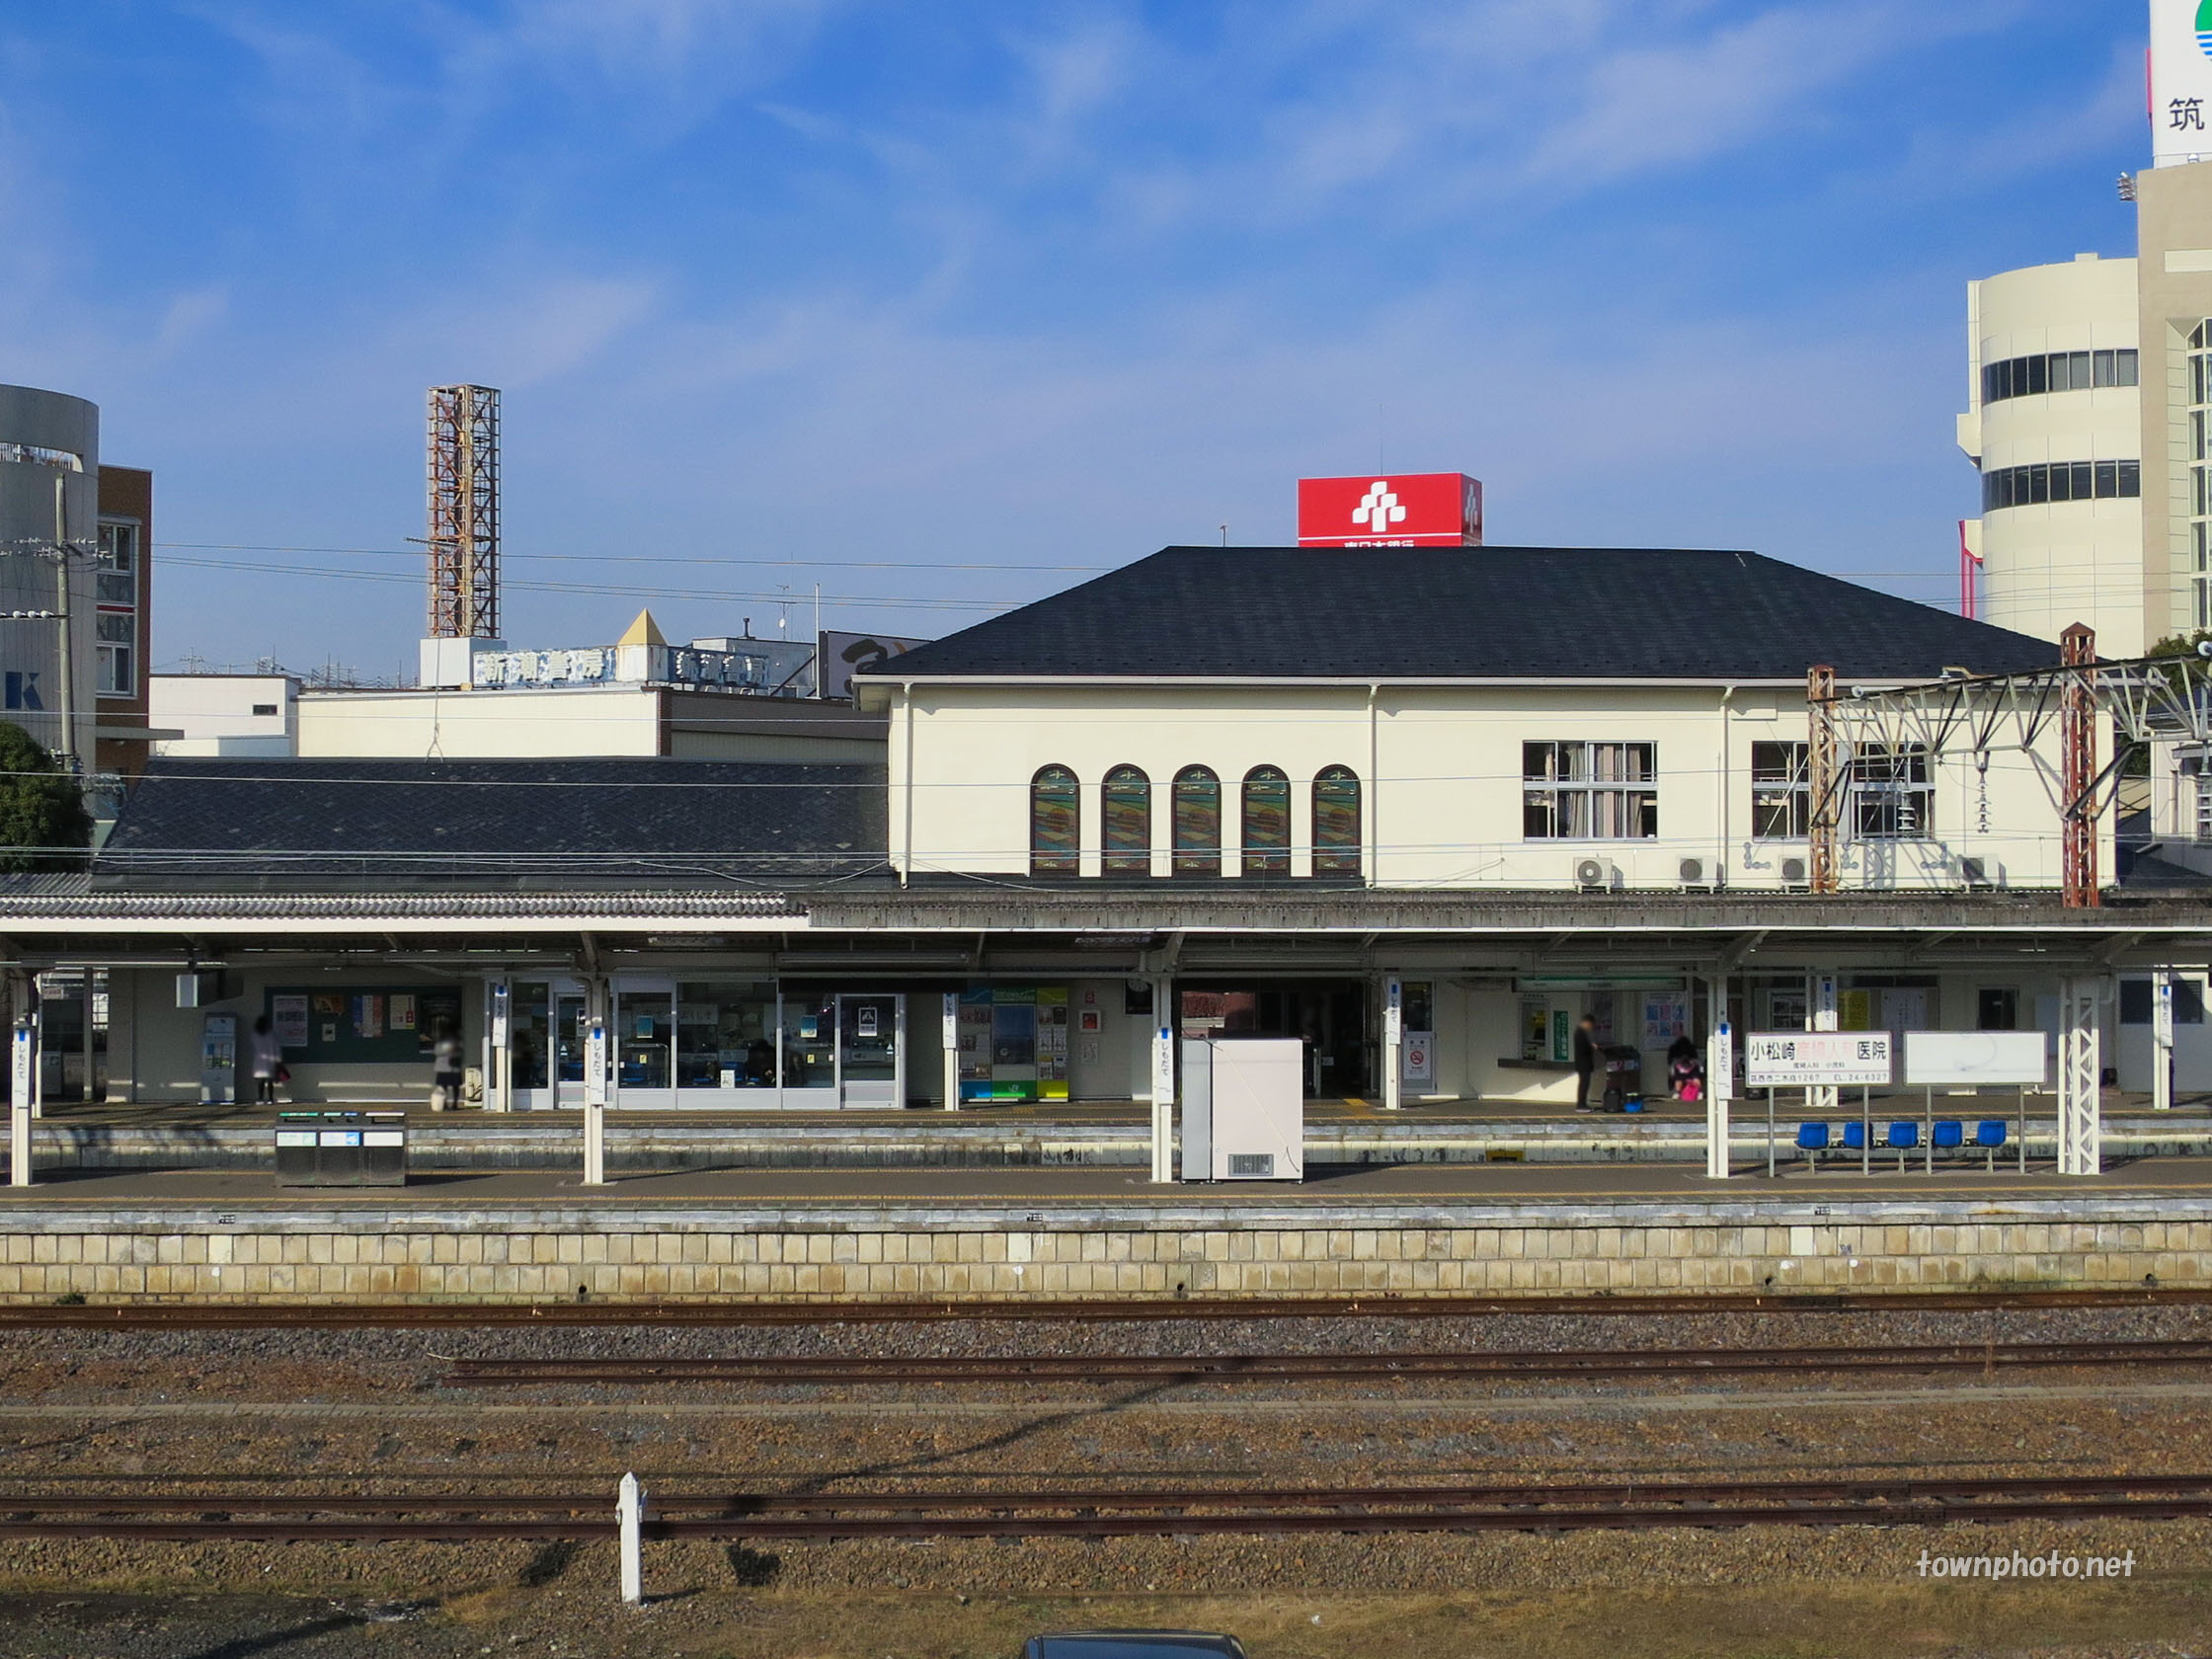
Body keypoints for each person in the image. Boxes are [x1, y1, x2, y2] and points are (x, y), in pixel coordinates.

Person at [248, 1015, 282, 1105]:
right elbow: (277, 1048)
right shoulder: (272, 1034)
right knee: (270, 1081)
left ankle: (260, 1098)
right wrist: (278, 1060)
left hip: (259, 1059)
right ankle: (270, 1098)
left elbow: (253, 1045)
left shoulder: (255, 1034)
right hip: (270, 1059)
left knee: (260, 1081)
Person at [431, 1020, 464, 1112]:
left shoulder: (456, 1039)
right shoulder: (442, 1040)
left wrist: (454, 1051)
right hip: (445, 1066)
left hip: (451, 1066)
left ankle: (454, 1104)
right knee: (445, 1086)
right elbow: (437, 1051)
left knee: (453, 1086)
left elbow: (460, 1051)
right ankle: (444, 1104)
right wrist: (448, 1051)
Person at [1571, 1014, 1600, 1112]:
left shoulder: (1582, 1032)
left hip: (1583, 1063)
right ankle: (1580, 1105)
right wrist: (1592, 1046)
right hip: (1583, 1063)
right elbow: (1582, 1048)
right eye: (1591, 1025)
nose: (1591, 1027)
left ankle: (1582, 1104)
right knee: (1584, 1084)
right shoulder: (1580, 1033)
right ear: (1587, 1023)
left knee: (1585, 1083)